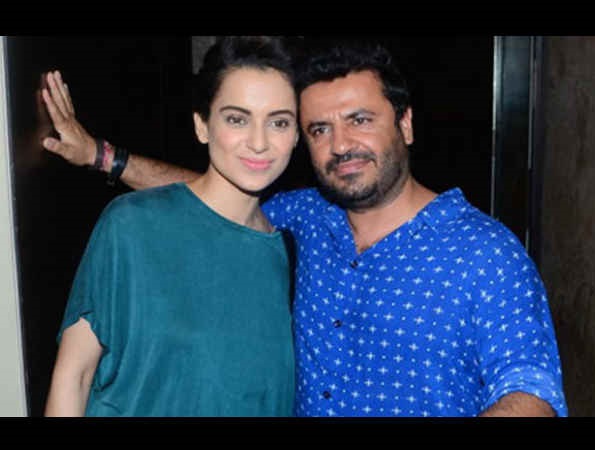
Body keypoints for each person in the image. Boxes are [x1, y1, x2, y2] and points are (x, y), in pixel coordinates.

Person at [42, 37, 567, 417]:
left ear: (405, 124)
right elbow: (212, 198)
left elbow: (531, 393)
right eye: (319, 128)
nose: (341, 145)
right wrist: (102, 157)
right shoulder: (306, 221)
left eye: (360, 119)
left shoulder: (484, 251)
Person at [42, 36, 299, 416]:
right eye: (237, 119)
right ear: (202, 126)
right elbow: (74, 378)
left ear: (296, 135)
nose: (259, 142)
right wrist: (100, 154)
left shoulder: (289, 252)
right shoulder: (131, 225)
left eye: (279, 122)